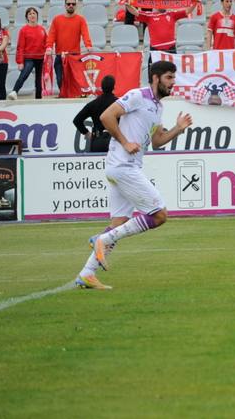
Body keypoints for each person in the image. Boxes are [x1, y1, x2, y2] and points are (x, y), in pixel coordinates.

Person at [73, 60, 192, 291]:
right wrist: (125, 142)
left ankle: (87, 273)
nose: (173, 82)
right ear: (156, 78)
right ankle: (101, 240)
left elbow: (157, 142)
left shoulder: (158, 107)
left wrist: (178, 128)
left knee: (119, 223)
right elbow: (107, 116)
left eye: (174, 78)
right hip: (123, 166)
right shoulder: (137, 95)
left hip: (124, 167)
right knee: (159, 215)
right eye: (169, 77)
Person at [72, 75, 119, 154]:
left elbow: (77, 120)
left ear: (101, 87)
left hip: (97, 141)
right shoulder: (119, 104)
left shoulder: (93, 104)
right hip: (115, 140)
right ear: (114, 87)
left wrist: (86, 132)